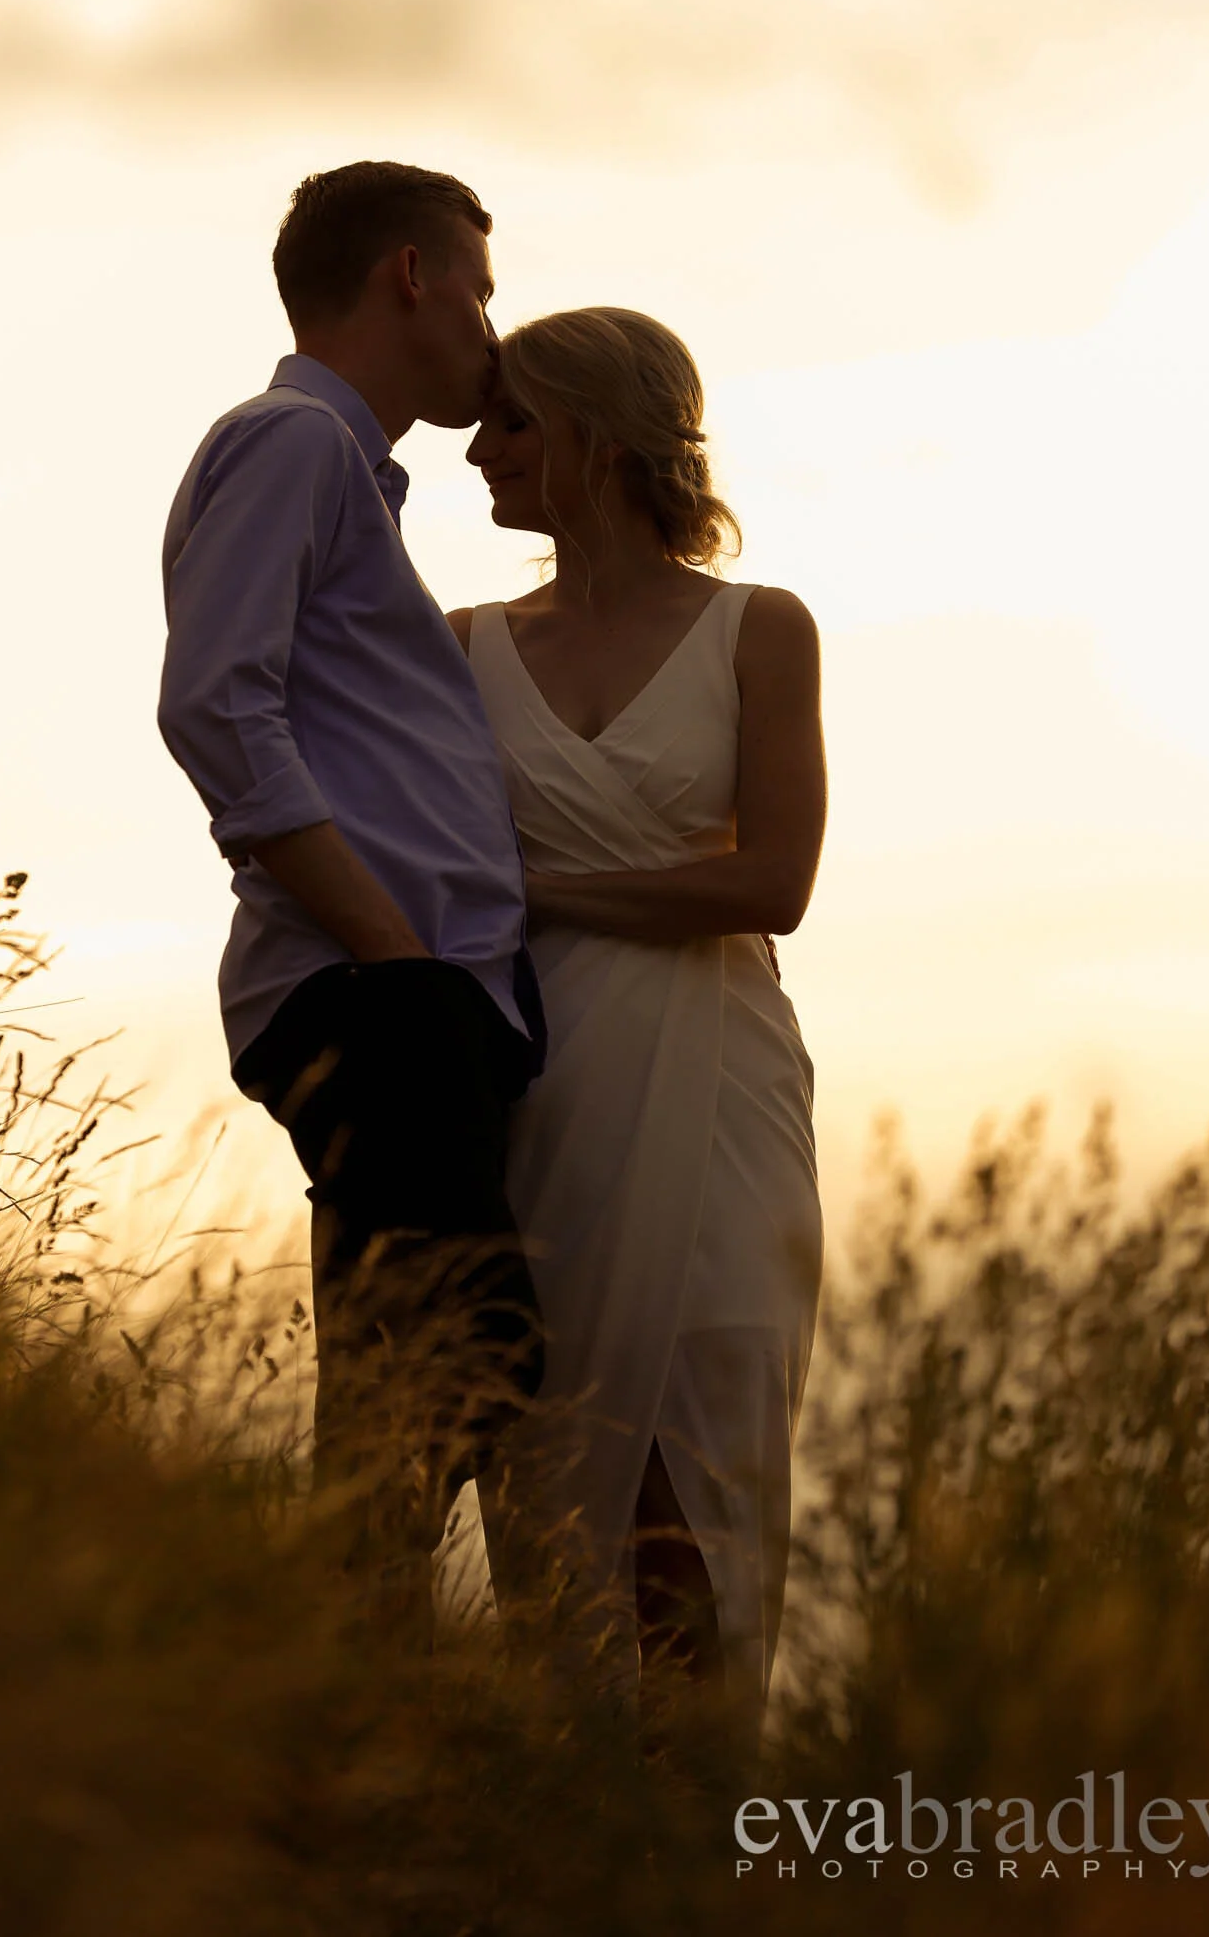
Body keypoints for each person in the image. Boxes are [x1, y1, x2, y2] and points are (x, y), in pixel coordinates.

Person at [156, 160, 547, 1645]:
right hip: (375, 989)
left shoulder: (338, 475)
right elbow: (212, 706)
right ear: (410, 277)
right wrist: (397, 957)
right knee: (462, 1355)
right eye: (481, 290)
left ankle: (348, 1690)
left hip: (415, 994)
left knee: (422, 1365)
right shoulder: (290, 445)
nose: (488, 329)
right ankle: (329, 1684)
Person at [450, 305, 825, 1717]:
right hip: (537, 1093)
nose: (480, 452)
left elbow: (772, 882)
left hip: (721, 1094)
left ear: (599, 439)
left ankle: (703, 1825)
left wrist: (529, 887)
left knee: (698, 1475)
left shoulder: (757, 633)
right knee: (552, 1465)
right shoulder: (459, 644)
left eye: (513, 422)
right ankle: (572, 1837)